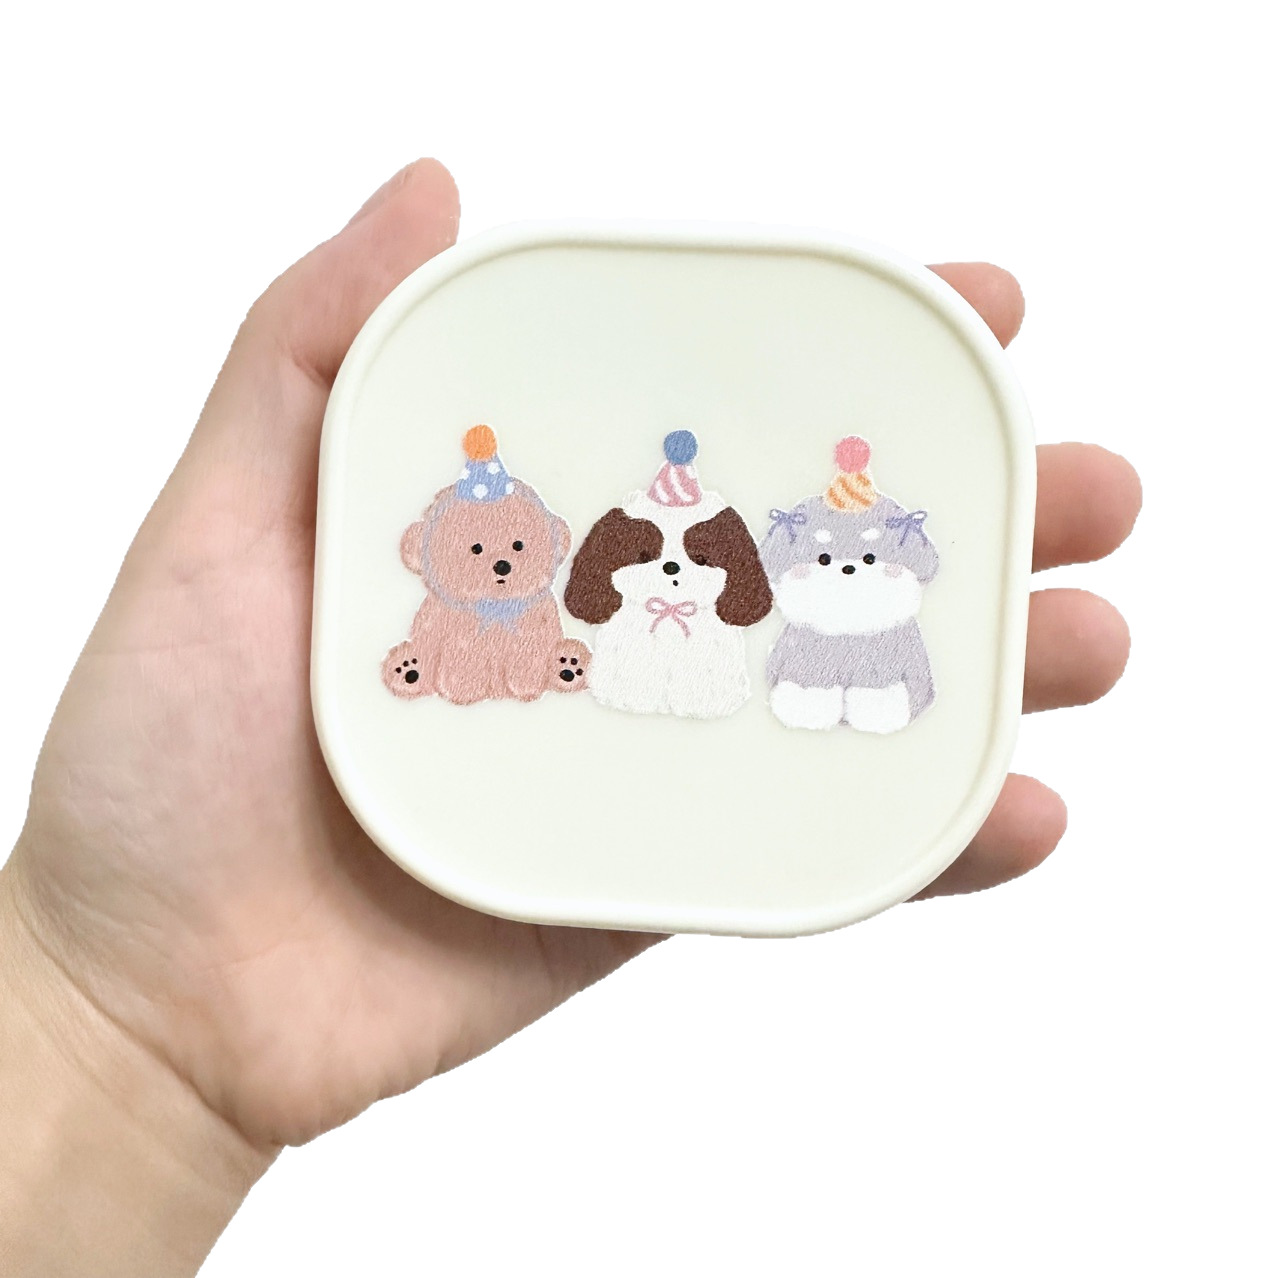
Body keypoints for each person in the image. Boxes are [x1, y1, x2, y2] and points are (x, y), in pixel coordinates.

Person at [0, 159, 1141, 1276]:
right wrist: (116, 1013)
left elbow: (733, 595)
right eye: (651, 550)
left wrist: (116, 1035)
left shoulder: (740, 574)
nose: (676, 564)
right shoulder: (563, 555)